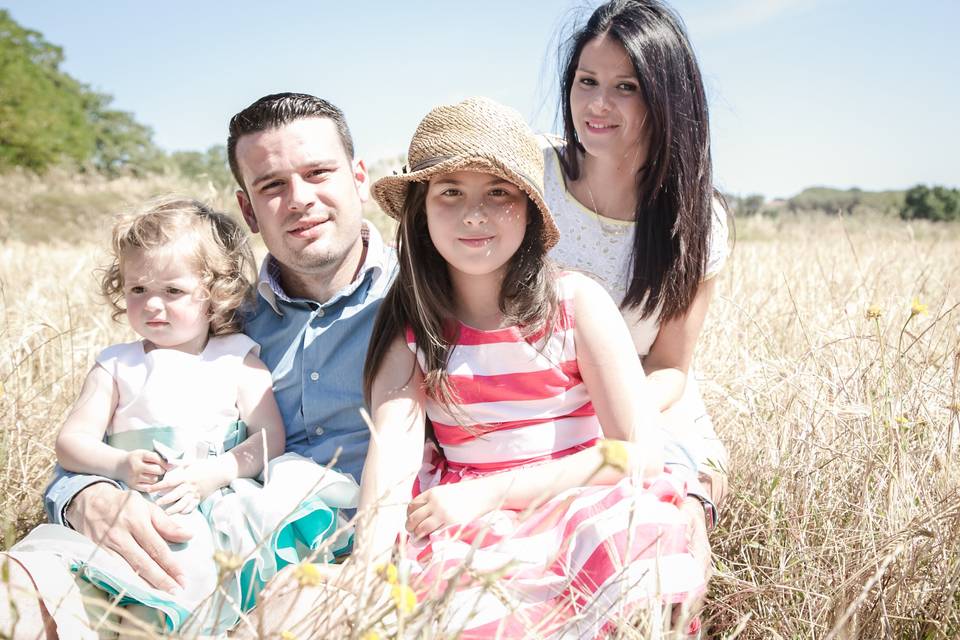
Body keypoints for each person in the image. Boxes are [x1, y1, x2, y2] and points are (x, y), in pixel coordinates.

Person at [1, 93, 396, 639]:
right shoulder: (216, 319)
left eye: (318, 172)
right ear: (248, 209)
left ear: (358, 177)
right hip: (188, 534)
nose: (300, 199)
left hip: (335, 556)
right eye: (272, 185)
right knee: (16, 598)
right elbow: (113, 433)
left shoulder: (422, 304)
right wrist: (83, 496)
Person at [353, 96, 704, 638]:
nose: (475, 213)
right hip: (465, 518)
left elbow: (640, 453)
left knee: (641, 541)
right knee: (463, 608)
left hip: (581, 493)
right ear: (421, 211)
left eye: (498, 193)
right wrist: (367, 571)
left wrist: (495, 492)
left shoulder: (576, 303)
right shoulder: (414, 325)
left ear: (530, 209)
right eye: (450, 192)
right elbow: (393, 458)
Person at [542, 0, 731, 558]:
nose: (597, 104)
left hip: (649, 409)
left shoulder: (698, 218)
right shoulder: (533, 176)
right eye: (587, 81)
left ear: (665, 97)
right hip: (535, 404)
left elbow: (671, 366)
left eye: (626, 86)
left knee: (677, 524)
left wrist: (618, 422)